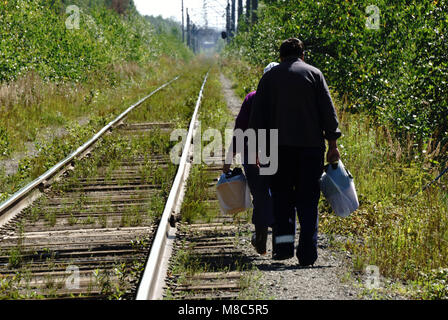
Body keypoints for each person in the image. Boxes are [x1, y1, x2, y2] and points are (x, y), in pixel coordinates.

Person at [248, 38, 341, 266]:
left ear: (280, 56)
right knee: (308, 200)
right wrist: (333, 145)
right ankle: (308, 253)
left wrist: (258, 152)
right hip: (310, 149)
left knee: (282, 198)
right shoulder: (314, 74)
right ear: (302, 55)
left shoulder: (269, 78)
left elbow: (257, 118)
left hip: (277, 150)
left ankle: (283, 249)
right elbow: (328, 112)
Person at [223, 62, 279, 255]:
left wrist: (228, 159)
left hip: (252, 153)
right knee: (280, 195)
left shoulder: (252, 97)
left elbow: (240, 130)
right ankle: (279, 241)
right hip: (279, 153)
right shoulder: (287, 99)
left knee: (261, 196)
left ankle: (261, 239)